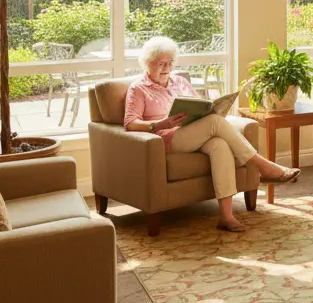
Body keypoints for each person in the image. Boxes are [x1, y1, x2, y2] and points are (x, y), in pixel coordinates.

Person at [123, 36, 299, 233]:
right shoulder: (138, 88)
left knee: (220, 145)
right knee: (215, 123)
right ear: (147, 63)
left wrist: (209, 109)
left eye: (170, 63)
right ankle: (261, 165)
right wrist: (159, 124)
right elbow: (131, 123)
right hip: (167, 139)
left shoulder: (179, 82)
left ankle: (226, 216)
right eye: (161, 64)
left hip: (193, 132)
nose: (167, 68)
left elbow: (199, 106)